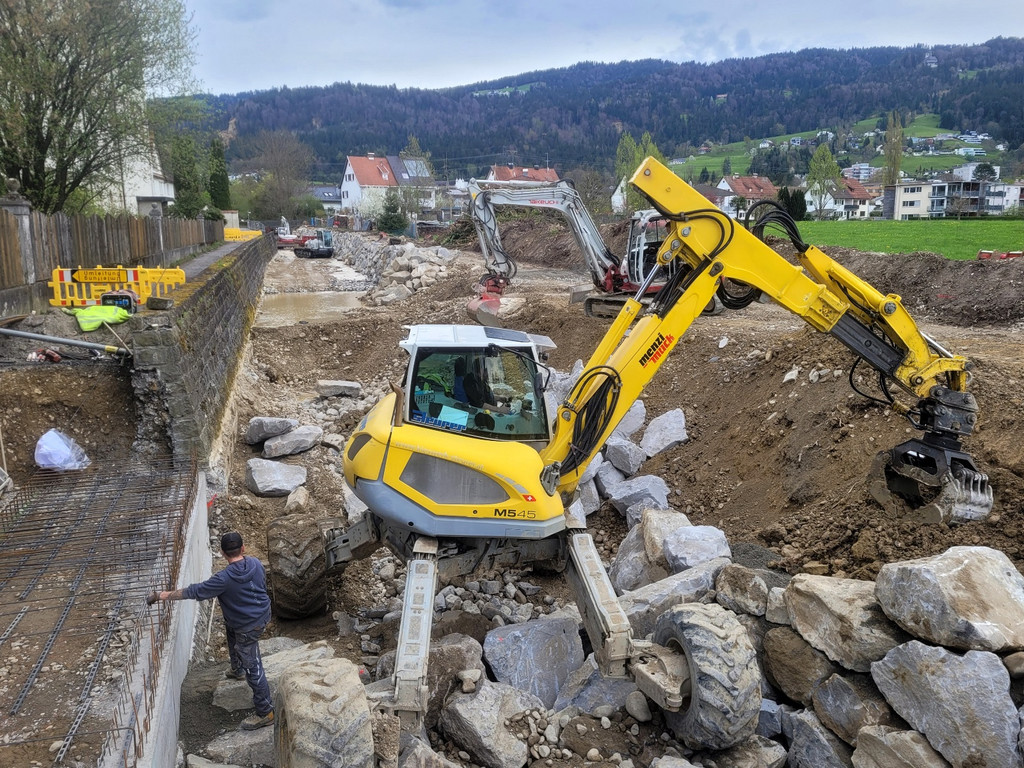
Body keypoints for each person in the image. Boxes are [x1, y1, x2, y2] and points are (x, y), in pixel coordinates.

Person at [150, 531, 274, 730]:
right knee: (231, 627)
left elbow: (193, 591)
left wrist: (162, 595)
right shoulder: (256, 563)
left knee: (254, 666)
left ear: (223, 553)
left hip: (248, 627)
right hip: (263, 614)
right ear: (243, 548)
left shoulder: (223, 579)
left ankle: (266, 711)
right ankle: (237, 669)